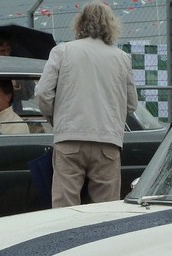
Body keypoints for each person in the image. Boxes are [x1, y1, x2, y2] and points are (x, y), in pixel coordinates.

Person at [35, 2, 137, 207]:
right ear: (111, 25)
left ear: (79, 23)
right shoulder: (122, 58)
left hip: (70, 137)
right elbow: (131, 104)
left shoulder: (62, 51)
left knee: (65, 208)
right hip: (108, 140)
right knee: (105, 210)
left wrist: (56, 119)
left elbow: (43, 93)